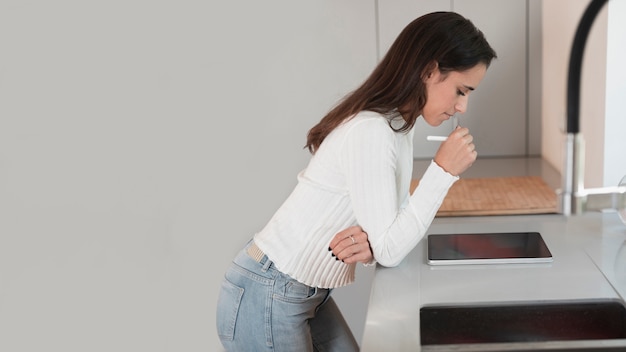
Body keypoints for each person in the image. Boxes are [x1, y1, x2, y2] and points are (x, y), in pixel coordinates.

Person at [216, 11, 496, 351]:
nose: (463, 106)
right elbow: (391, 248)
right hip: (271, 290)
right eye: (461, 90)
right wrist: (443, 171)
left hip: (299, 293)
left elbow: (393, 228)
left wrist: (376, 243)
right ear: (429, 70)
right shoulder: (373, 131)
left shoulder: (398, 126)